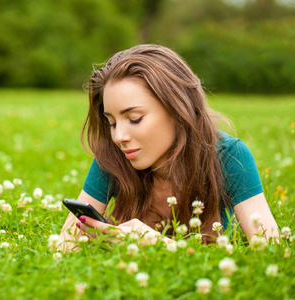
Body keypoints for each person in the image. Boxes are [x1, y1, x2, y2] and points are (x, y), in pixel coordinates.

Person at [59, 44, 278, 250]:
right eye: (112, 123)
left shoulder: (229, 156)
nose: (118, 137)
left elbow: (271, 250)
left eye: (134, 118)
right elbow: (66, 243)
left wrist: (159, 246)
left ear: (177, 109)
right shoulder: (113, 157)